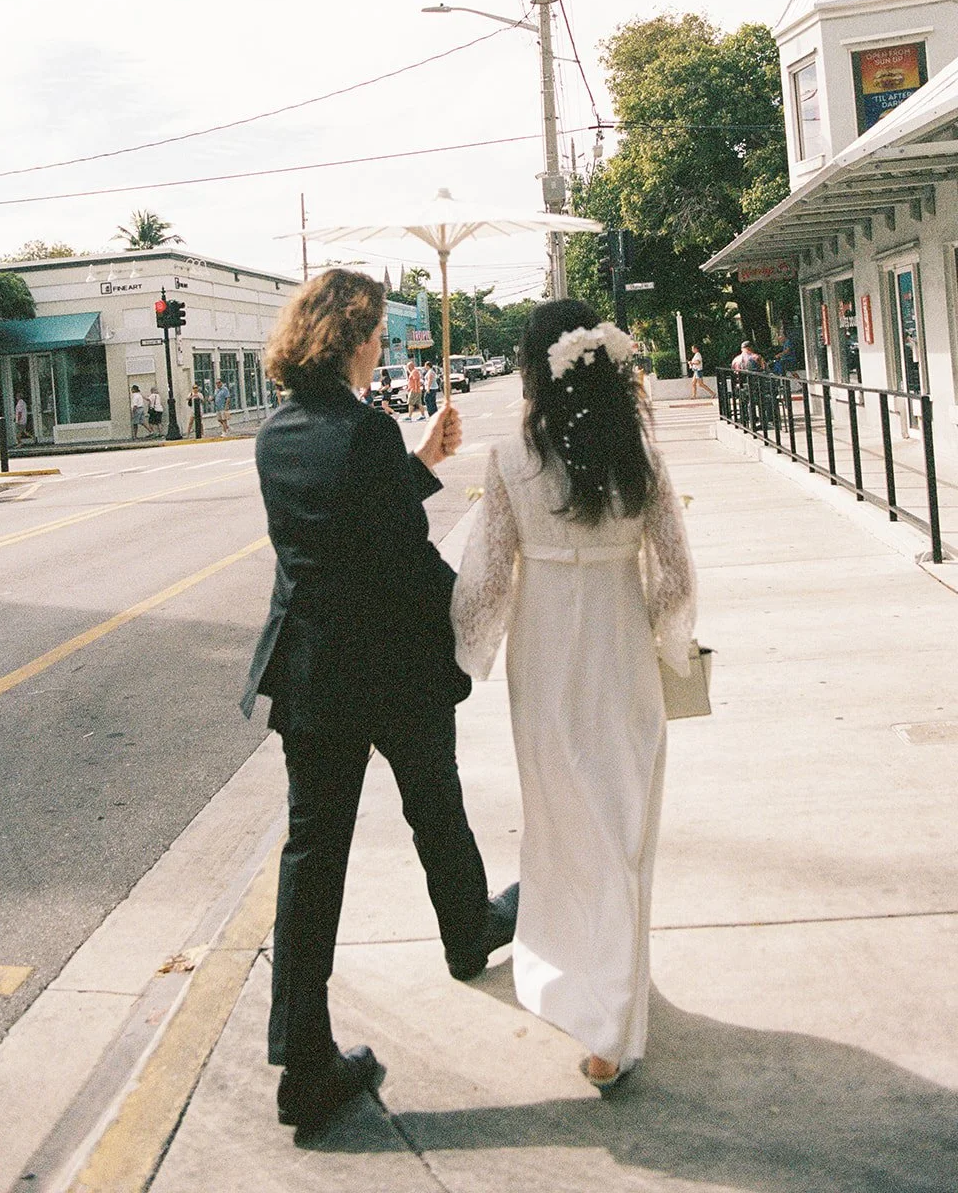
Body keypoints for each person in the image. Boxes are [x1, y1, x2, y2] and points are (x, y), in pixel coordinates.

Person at [242, 269, 516, 1138]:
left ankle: (302, 1055)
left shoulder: (277, 432)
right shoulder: (364, 431)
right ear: (352, 338)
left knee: (311, 857)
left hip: (313, 670)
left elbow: (348, 513)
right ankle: (467, 931)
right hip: (389, 669)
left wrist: (423, 460)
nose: (378, 349)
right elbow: (400, 552)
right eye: (373, 336)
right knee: (436, 804)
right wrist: (472, 608)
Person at [451, 300, 695, 1091]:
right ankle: (617, 999)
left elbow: (486, 579)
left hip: (547, 650)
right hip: (620, 648)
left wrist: (465, 653)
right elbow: (676, 576)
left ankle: (598, 1001)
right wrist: (667, 641)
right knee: (622, 823)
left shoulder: (511, 457)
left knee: (561, 824)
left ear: (534, 367)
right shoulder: (641, 457)